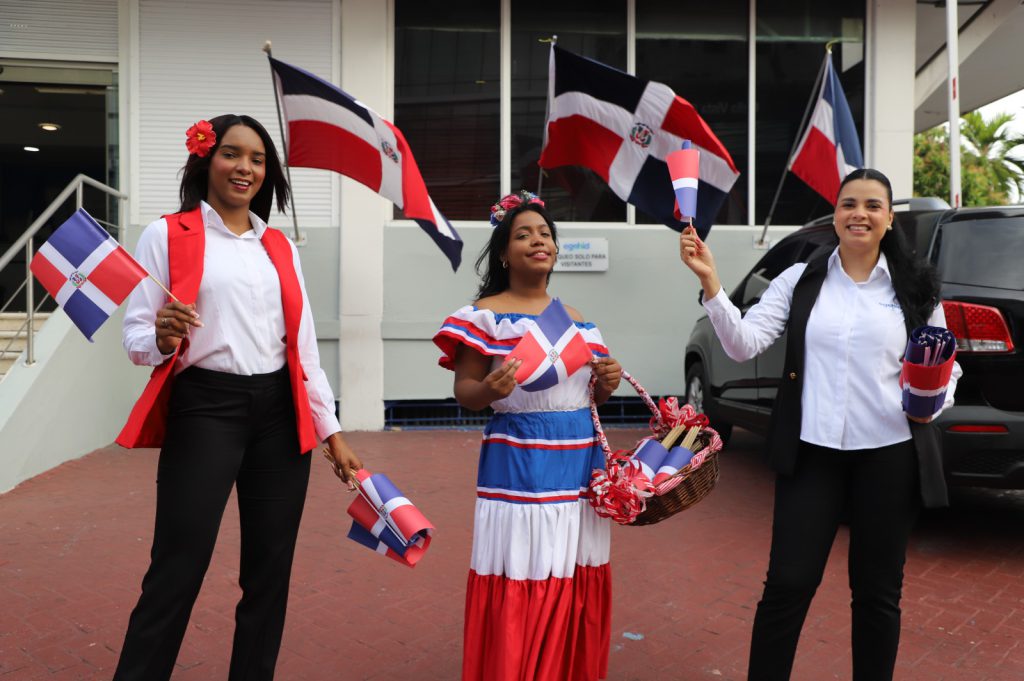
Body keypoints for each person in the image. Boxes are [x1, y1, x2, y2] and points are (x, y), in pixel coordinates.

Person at [679, 168, 962, 681]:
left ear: (889, 218)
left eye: (873, 205)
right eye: (849, 203)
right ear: (835, 213)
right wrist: (712, 283)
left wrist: (931, 400)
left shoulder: (914, 286)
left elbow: (948, 364)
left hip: (889, 453)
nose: (860, 213)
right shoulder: (801, 278)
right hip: (812, 453)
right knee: (788, 584)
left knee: (877, 594)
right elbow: (743, 343)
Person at [113, 114, 363, 681]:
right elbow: (134, 338)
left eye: (256, 158)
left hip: (280, 414)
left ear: (267, 172)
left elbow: (302, 349)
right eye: (231, 153)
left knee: (270, 573)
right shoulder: (166, 234)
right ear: (207, 158)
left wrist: (333, 432)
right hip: (206, 408)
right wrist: (160, 336)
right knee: (179, 564)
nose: (243, 167)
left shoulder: (278, 245)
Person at [432, 191, 622, 681]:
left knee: (571, 567)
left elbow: (590, 400)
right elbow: (466, 393)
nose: (539, 241)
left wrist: (607, 383)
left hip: (579, 467)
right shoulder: (485, 315)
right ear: (503, 252)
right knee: (528, 565)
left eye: (545, 234)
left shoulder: (578, 319)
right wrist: (490, 388)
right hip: (520, 467)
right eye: (524, 234)